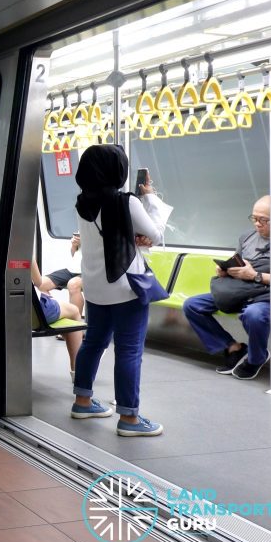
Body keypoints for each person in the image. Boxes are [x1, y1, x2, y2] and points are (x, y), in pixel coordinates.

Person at [70, 145, 165, 437]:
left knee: (93, 343)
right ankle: (129, 419)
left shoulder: (82, 203)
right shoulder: (126, 202)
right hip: (127, 288)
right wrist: (149, 197)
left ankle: (83, 401)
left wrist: (134, 237)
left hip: (97, 287)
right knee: (129, 351)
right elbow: (156, 234)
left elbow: (109, 236)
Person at [182, 196, 271, 380]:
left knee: (254, 314)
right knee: (193, 305)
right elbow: (238, 261)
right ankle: (234, 347)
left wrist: (256, 276)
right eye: (254, 218)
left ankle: (257, 358)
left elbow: (254, 274)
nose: (257, 224)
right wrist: (225, 270)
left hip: (268, 294)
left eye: (263, 220)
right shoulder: (247, 237)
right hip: (240, 290)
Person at [32, 258, 84, 379]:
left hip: (6, 312)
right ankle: (77, 372)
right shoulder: (24, 250)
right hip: (38, 314)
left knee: (73, 285)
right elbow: (38, 282)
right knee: (74, 311)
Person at [40, 232, 84, 314]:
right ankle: (54, 312)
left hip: (90, 270)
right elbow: (73, 253)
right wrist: (74, 245)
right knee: (40, 283)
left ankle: (76, 322)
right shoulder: (82, 228)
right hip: (72, 269)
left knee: (73, 284)